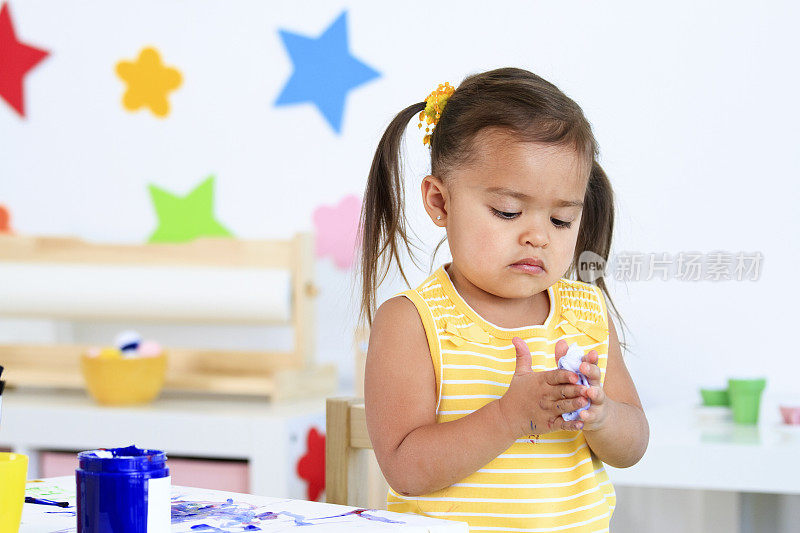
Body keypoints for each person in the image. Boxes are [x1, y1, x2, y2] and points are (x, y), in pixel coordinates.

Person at [358, 67, 649, 532]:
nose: (537, 236)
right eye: (508, 212)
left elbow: (633, 447)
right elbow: (404, 469)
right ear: (440, 202)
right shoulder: (412, 322)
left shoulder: (585, 313)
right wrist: (510, 416)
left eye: (560, 220)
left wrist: (602, 415)